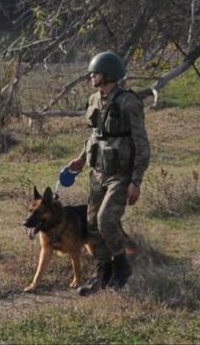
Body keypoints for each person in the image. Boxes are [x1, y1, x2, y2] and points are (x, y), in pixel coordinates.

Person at [65, 51, 150, 295]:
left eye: (96, 72)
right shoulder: (94, 100)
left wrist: (136, 181)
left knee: (106, 220)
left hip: (120, 174)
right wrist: (81, 159)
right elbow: (95, 134)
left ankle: (122, 269)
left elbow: (142, 143)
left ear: (109, 75)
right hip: (97, 171)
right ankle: (103, 273)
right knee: (91, 224)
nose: (92, 76)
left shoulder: (128, 102)